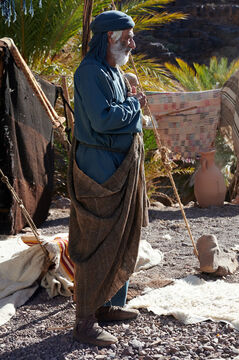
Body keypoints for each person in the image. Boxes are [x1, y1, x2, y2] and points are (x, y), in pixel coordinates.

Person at [67, 10, 148, 346]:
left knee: (122, 234)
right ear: (110, 37)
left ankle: (109, 304)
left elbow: (120, 108)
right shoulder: (89, 73)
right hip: (99, 168)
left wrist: (130, 102)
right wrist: (135, 106)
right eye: (127, 35)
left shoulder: (112, 71)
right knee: (96, 239)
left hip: (119, 165)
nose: (133, 41)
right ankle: (85, 320)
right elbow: (102, 121)